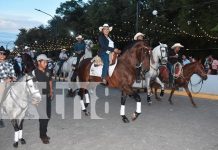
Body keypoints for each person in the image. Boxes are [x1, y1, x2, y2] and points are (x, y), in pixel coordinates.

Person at [34, 54, 53, 144]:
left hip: (47, 97)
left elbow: (50, 80)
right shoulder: (34, 73)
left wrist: (51, 91)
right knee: (43, 117)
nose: (46, 63)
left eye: (47, 62)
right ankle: (43, 135)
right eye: (44, 62)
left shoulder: (48, 71)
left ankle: (43, 132)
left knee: (48, 116)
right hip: (39, 98)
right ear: (38, 62)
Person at [0, 46, 16, 128]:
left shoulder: (9, 64)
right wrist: (4, 80)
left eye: (4, 54)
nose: (2, 55)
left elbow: (13, 75)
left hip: (9, 83)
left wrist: (13, 78)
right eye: (0, 53)